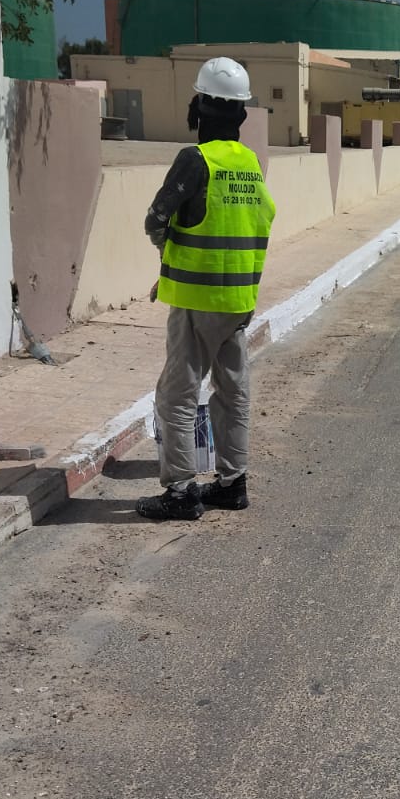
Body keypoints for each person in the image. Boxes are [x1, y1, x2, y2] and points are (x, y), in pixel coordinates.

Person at [136, 57, 276, 522]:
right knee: (232, 392)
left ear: (198, 109)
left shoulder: (196, 160)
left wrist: (168, 259)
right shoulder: (250, 163)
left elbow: (156, 219)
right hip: (238, 301)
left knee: (176, 395)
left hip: (197, 302)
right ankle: (233, 484)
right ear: (241, 114)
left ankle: (180, 493)